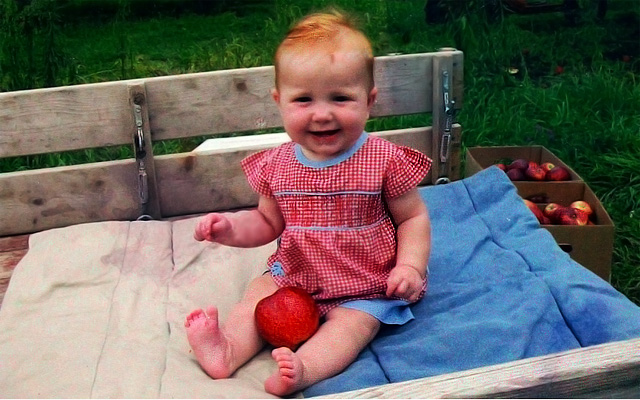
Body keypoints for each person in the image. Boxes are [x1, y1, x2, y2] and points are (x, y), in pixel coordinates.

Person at [184, 9, 432, 396]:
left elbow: (412, 217)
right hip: (296, 272)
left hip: (364, 282)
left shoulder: (383, 159)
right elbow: (268, 223)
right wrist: (231, 229)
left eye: (340, 98)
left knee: (352, 328)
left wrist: (410, 266)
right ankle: (226, 350)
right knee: (257, 295)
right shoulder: (277, 164)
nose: (322, 114)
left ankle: (304, 369)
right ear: (279, 101)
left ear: (369, 101)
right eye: (303, 100)